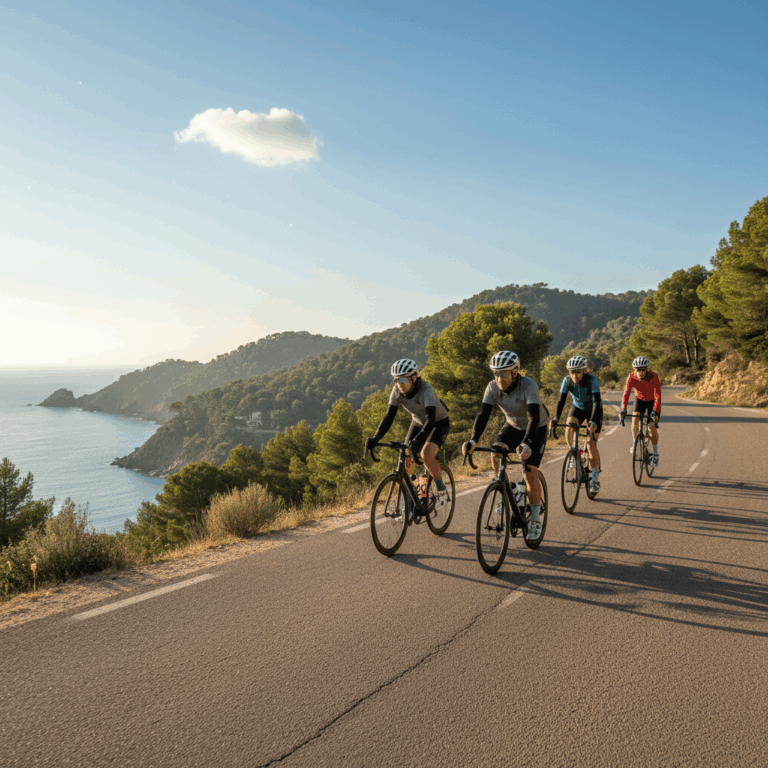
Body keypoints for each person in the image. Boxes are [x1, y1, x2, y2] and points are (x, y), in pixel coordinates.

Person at [462, 351, 549, 541]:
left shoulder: (528, 385)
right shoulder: (492, 387)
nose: (499, 378)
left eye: (503, 374)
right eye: (496, 374)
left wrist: (526, 443)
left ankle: (535, 519)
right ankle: (507, 489)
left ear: (514, 373)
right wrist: (473, 440)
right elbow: (483, 414)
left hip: (536, 427)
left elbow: (534, 417)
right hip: (513, 425)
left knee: (529, 472)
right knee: (496, 453)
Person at [365, 359, 451, 511]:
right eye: (397, 380)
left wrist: (419, 440)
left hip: (438, 423)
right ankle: (411, 497)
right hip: (418, 422)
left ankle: (442, 489)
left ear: (414, 377)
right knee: (406, 458)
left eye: (404, 379)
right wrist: (375, 438)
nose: (400, 384)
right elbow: (388, 417)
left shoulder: (427, 390)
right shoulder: (397, 391)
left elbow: (430, 420)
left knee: (426, 455)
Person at [550, 354, 603, 494]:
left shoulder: (592, 379)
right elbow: (561, 401)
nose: (574, 375)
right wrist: (556, 418)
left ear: (584, 370)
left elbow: (597, 401)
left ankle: (595, 479)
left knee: (591, 443)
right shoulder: (567, 381)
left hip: (593, 410)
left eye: (578, 371)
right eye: (572, 372)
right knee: (569, 426)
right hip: (578, 408)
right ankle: (575, 453)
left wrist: (592, 421)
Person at [620, 356, 662, 466]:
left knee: (651, 426)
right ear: (635, 370)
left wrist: (655, 411)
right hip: (639, 400)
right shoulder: (631, 377)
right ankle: (635, 443)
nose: (641, 372)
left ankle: (656, 454)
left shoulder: (654, 376)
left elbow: (658, 395)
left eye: (643, 369)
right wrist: (623, 409)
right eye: (638, 370)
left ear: (647, 369)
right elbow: (626, 394)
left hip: (652, 401)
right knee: (635, 420)